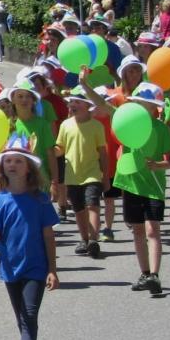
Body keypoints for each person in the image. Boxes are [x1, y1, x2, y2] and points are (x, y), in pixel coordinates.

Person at [0, 133, 61, 340]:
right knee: (21, 316)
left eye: (19, 161)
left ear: (28, 166)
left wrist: (52, 269)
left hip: (36, 266)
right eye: (8, 161)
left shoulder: (39, 198)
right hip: (10, 267)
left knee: (30, 312)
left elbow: (48, 235)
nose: (12, 165)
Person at [115, 83, 170, 297]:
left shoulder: (162, 129)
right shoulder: (128, 124)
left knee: (152, 230)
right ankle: (145, 273)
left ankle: (155, 276)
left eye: (146, 104)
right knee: (138, 230)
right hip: (131, 185)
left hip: (153, 187)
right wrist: (84, 84)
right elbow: (103, 106)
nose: (141, 108)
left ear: (154, 108)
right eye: (138, 103)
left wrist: (157, 165)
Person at [56, 85, 109, 260]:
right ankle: (84, 239)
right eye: (71, 102)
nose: (72, 105)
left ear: (87, 105)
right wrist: (47, 149)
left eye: (77, 101)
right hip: (72, 175)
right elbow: (60, 148)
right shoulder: (65, 125)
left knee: (92, 205)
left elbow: (102, 152)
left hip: (92, 173)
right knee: (79, 209)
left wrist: (106, 175)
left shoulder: (96, 126)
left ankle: (94, 240)